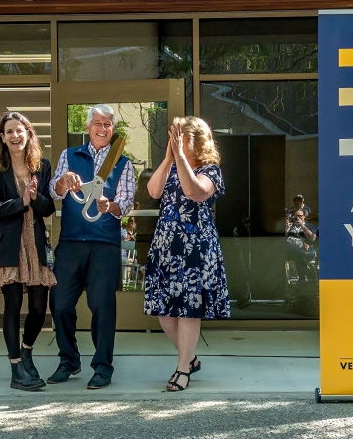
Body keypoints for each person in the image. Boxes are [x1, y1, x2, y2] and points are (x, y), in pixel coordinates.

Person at [49, 104, 136, 390]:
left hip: (104, 245)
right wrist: (63, 182)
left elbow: (125, 202)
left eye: (108, 124)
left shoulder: (123, 163)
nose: (102, 128)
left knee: (102, 305)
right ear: (87, 127)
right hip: (71, 242)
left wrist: (110, 206)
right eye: (97, 123)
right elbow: (53, 191)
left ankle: (102, 366)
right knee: (60, 303)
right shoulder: (69, 155)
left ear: (113, 129)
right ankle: (69, 360)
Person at [144, 116, 230, 392]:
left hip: (196, 249)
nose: (178, 144)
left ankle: (182, 370)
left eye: (182, 140)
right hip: (166, 246)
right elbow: (154, 191)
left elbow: (194, 191)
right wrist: (170, 156)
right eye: (176, 139)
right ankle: (190, 358)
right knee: (165, 315)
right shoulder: (172, 164)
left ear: (198, 142)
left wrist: (180, 157)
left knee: (189, 310)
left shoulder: (211, 170)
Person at [0, 111, 56, 391]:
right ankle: (16, 368)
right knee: (12, 306)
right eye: (9, 131)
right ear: (3, 138)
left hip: (35, 244)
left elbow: (49, 208)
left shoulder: (42, 166)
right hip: (8, 245)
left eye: (20, 130)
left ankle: (27, 350)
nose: (15, 135)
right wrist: (21, 201)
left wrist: (36, 199)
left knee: (39, 307)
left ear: (28, 134)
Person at [285, 208, 317, 281]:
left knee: (298, 256)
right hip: (294, 252)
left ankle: (302, 280)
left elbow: (313, 238)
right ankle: (302, 280)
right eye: (295, 216)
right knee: (290, 246)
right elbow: (282, 240)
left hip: (306, 252)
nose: (297, 218)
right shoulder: (290, 226)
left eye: (300, 216)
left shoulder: (309, 226)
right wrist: (287, 228)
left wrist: (302, 226)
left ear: (304, 216)